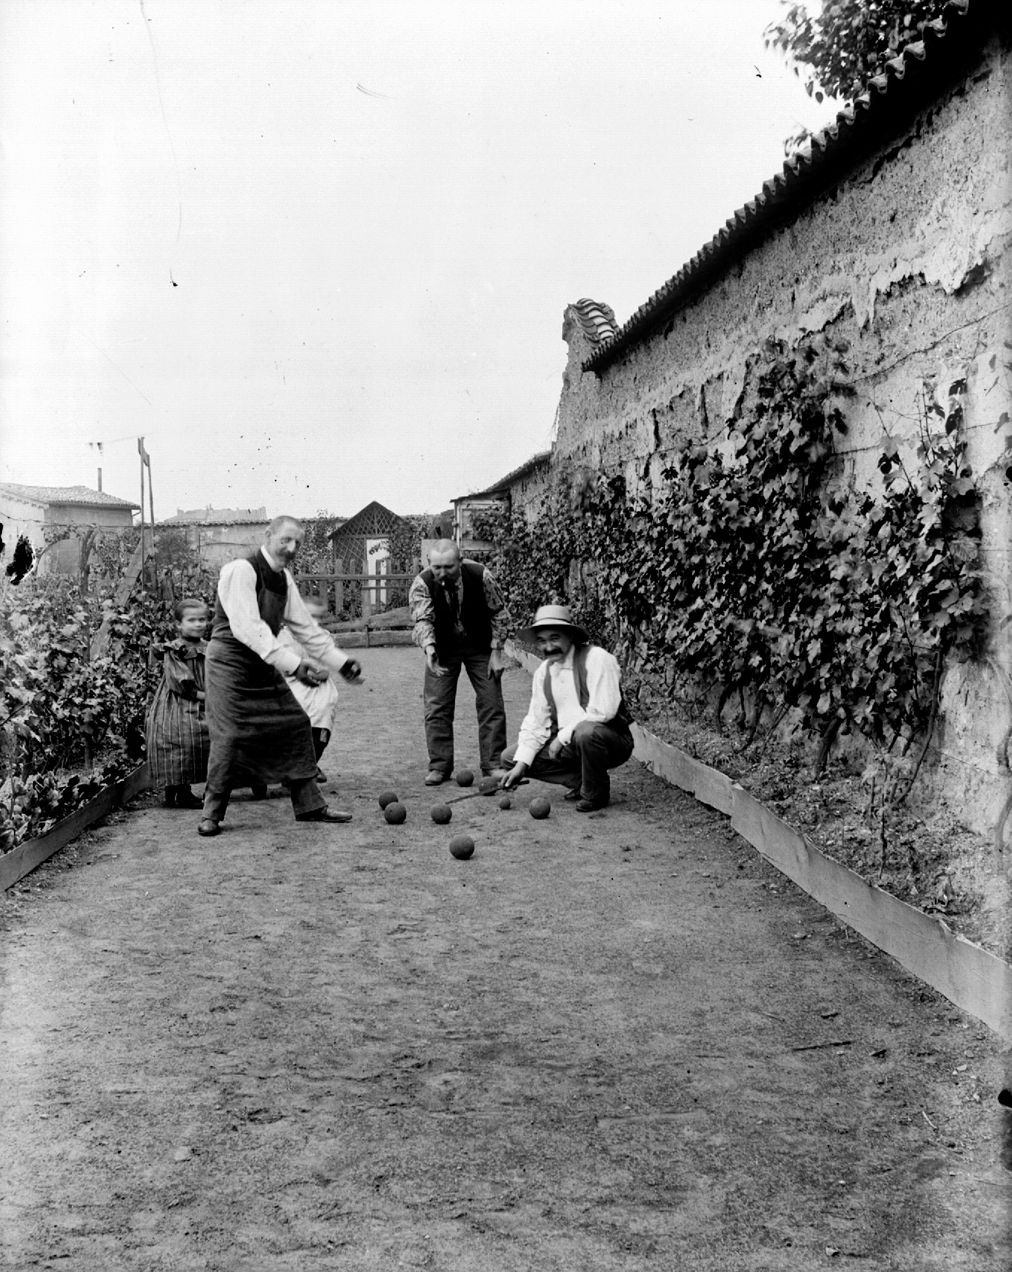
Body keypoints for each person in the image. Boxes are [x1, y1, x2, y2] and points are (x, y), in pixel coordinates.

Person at [198, 515, 363, 837]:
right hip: (230, 665)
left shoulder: (283, 579)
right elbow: (249, 628)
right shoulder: (240, 571)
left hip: (264, 662)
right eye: (285, 540)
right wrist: (294, 665)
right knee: (229, 737)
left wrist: (341, 662)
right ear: (268, 535)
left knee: (296, 724)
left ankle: (310, 805)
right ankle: (211, 813)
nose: (291, 548)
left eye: (297, 543)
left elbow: (306, 629)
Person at [497, 604, 634, 812]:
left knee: (585, 733)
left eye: (554, 638)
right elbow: (536, 721)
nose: (548, 647)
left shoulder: (597, 659)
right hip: (570, 744)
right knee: (510, 757)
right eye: (542, 641)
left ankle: (595, 793)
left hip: (610, 739)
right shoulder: (544, 672)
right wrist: (521, 767)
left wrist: (562, 737)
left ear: (570, 636)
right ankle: (582, 780)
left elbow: (603, 711)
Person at [408, 539, 511, 785]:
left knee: (491, 703)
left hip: (480, 646)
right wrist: (430, 647)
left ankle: (493, 764)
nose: (442, 573)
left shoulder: (481, 575)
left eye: (449, 567)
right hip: (443, 647)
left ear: (460, 561)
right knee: (436, 707)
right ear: (429, 564)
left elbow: (499, 612)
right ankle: (440, 766)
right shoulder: (422, 583)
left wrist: (497, 653)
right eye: (437, 568)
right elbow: (423, 619)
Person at [145, 597, 211, 809]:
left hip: (203, 696)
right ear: (179, 624)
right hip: (179, 700)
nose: (199, 624)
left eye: (202, 619)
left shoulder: (210, 647)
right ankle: (176, 789)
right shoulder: (175, 649)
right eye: (192, 620)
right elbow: (179, 681)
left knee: (200, 740)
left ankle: (181, 789)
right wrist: (203, 696)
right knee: (179, 738)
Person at [279, 596, 341, 783]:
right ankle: (291, 767)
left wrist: (316, 670)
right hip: (291, 687)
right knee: (293, 728)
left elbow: (324, 669)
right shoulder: (282, 637)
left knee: (321, 724)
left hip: (318, 690)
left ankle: (310, 764)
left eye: (317, 617)